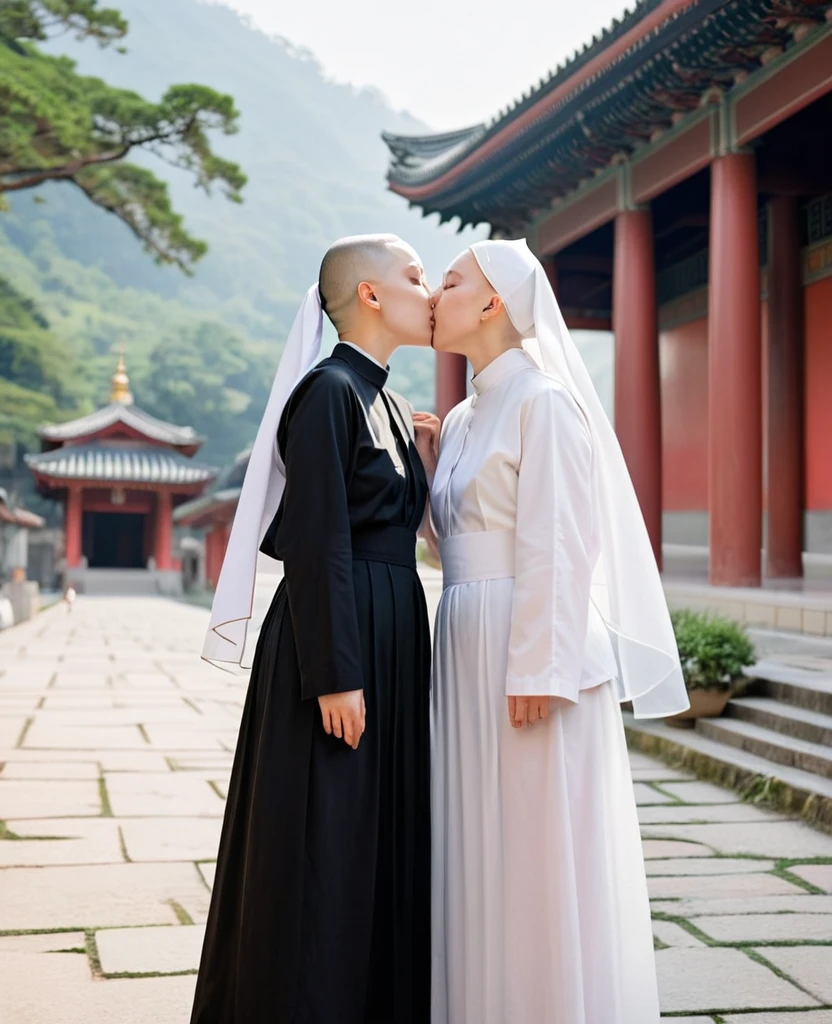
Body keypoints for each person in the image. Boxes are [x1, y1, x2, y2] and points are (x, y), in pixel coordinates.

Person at [421, 238, 689, 1024]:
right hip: (464, 637)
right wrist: (435, 462)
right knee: (477, 845)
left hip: (523, 651)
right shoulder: (468, 414)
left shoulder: (544, 401)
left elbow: (561, 544)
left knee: (533, 849)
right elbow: (466, 539)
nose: (436, 294)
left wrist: (540, 667)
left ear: (494, 301)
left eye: (451, 280)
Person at [190, 234, 434, 1024]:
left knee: (374, 841)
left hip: (387, 633)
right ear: (369, 294)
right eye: (415, 276)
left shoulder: (388, 400)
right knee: (323, 843)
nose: (427, 291)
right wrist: (335, 671)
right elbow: (318, 538)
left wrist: (422, 453)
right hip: (338, 644)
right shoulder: (327, 390)